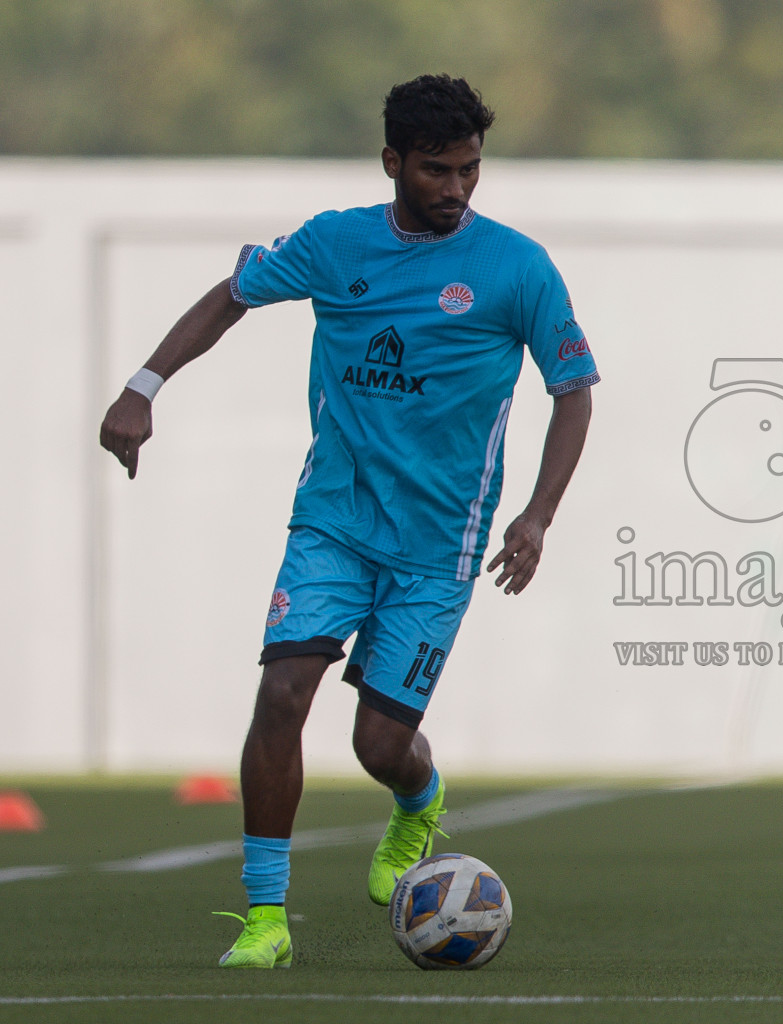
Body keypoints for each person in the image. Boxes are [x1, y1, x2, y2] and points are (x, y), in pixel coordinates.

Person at [98, 74, 599, 968]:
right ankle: (265, 922)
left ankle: (419, 800)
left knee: (380, 742)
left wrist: (537, 516)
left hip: (440, 547)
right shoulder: (336, 243)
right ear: (392, 163)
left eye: (471, 171)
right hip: (332, 522)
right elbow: (232, 294)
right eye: (438, 172)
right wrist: (143, 389)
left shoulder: (516, 266)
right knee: (283, 692)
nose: (458, 190)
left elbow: (573, 394)